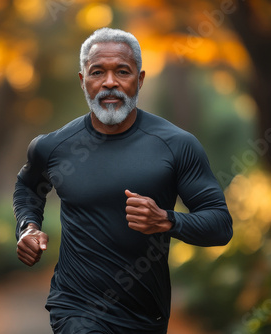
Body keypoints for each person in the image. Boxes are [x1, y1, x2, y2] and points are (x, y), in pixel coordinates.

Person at [13, 27, 233, 334]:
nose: (110, 83)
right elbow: (27, 187)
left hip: (145, 315)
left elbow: (220, 225)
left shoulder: (177, 145)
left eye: (122, 72)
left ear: (139, 80)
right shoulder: (53, 146)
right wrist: (28, 227)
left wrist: (167, 220)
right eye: (97, 72)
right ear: (83, 81)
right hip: (75, 307)